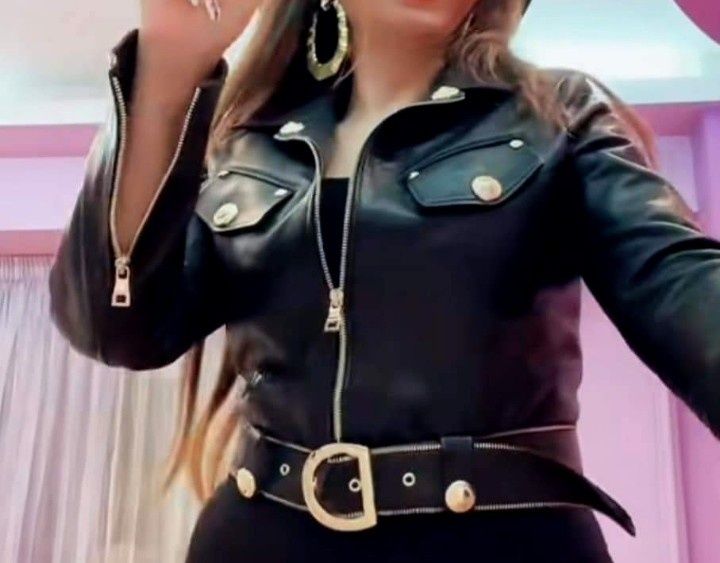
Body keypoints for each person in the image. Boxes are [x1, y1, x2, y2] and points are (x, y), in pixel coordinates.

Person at [48, 0, 720, 561]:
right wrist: (169, 69)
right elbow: (118, 329)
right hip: (256, 537)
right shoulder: (246, 144)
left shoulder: (556, 116)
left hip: (502, 541)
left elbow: (677, 279)